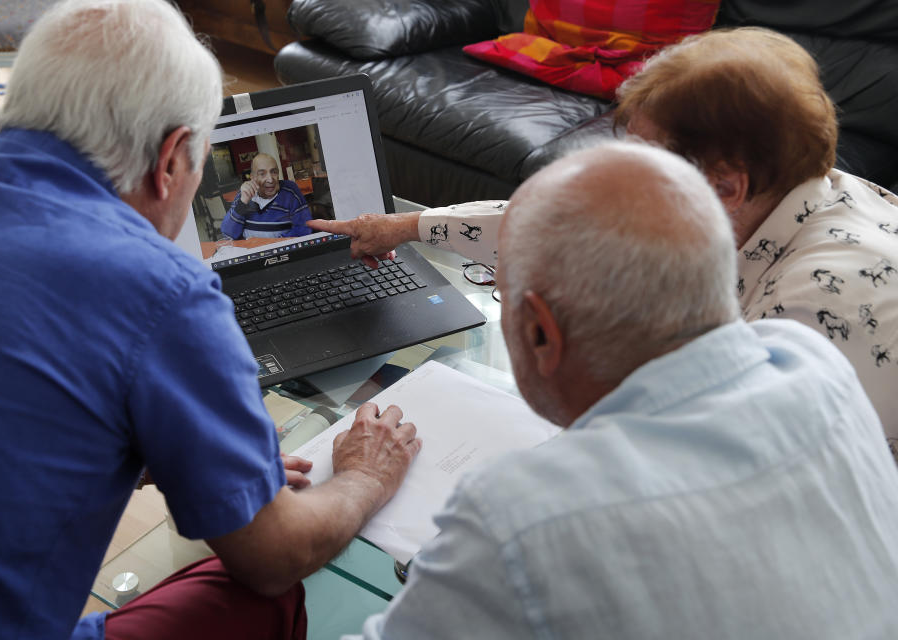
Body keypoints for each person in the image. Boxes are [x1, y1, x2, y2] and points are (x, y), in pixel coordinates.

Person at [0, 1, 420, 639]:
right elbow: (274, 559)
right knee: (254, 597)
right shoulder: (160, 292)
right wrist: (364, 476)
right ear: (170, 161)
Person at [350, 142, 898, 639]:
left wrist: (356, 485)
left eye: (501, 293)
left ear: (540, 330)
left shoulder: (516, 517)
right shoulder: (810, 360)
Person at [308, 27, 898, 455]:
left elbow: (728, 481)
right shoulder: (800, 185)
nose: (617, 167)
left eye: (643, 156)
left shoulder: (815, 311)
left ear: (725, 184)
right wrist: (404, 226)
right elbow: (566, 221)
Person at [220, 153, 313, 239]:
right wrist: (242, 203)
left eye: (274, 172)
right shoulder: (244, 194)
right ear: (252, 177)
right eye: (262, 174)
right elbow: (228, 234)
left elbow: (305, 226)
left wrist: (276, 245)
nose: (270, 179)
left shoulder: (290, 191)